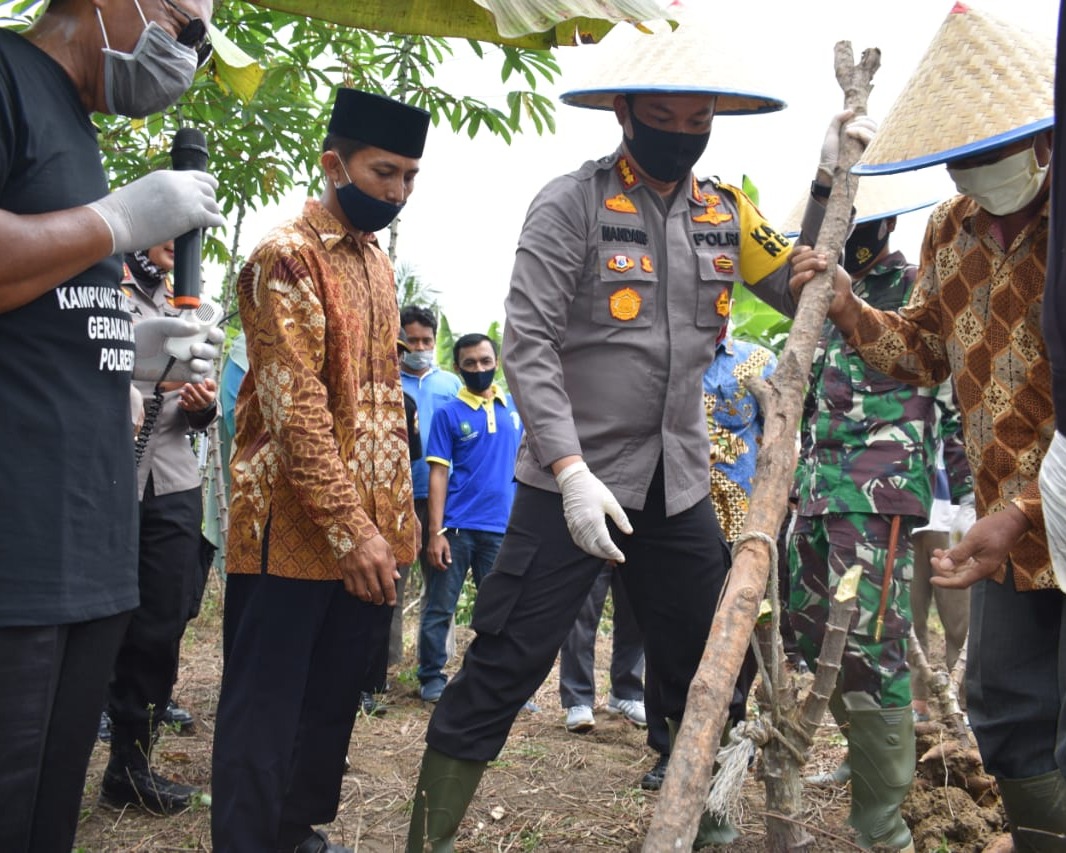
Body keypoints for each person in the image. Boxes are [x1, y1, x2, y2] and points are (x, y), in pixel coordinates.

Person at [405, 24, 867, 851]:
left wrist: (831, 176)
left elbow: (801, 273)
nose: (682, 135)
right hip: (571, 485)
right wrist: (570, 467)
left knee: (714, 667)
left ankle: (708, 825)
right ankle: (428, 838)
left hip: (678, 483)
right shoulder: (570, 203)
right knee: (504, 662)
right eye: (665, 117)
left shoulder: (724, 211)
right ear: (622, 111)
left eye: (700, 123)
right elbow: (530, 344)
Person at [791, 5, 1065, 848]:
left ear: (1041, 135)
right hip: (1005, 534)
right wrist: (845, 305)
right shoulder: (951, 228)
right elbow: (923, 351)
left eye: (993, 154)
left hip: (1046, 502)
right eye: (963, 160)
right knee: (1006, 709)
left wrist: (1026, 504)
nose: (978, 174)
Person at [0, 0, 222, 848]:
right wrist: (116, 223)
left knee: (48, 812)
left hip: (89, 536)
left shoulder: (76, 126)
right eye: (184, 24)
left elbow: (45, 312)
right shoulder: (9, 81)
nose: (189, 54)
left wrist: (136, 347)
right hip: (18, 547)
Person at [210, 87, 428, 853]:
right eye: (383, 172)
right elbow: (297, 409)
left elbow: (382, 406)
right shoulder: (284, 258)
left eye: (409, 177)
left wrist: (395, 526)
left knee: (330, 698)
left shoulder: (377, 263)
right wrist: (348, 528)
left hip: (364, 535)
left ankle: (291, 830)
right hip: (292, 531)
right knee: (264, 708)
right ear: (333, 163)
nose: (397, 192)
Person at [788, 187, 971, 850]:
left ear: (887, 221)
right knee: (811, 635)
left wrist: (969, 498)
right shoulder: (814, 293)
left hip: (878, 496)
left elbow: (956, 394)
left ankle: (883, 820)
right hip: (815, 491)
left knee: (872, 645)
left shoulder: (916, 289)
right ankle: (863, 759)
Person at [95, 240, 219, 813]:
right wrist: (153, 379)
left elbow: (198, 413)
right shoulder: (99, 284)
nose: (177, 243)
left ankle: (130, 767)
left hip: (171, 481)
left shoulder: (188, 306)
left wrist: (199, 402)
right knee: (95, 620)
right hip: (104, 476)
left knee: (163, 620)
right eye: (168, 228)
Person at [642, 327, 778, 788]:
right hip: (675, 518)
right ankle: (667, 748)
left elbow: (782, 437)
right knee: (669, 631)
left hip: (743, 521)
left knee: (741, 631)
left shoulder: (759, 361)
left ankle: (729, 742)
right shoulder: (659, 357)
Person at [419, 333, 523, 703]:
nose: (479, 369)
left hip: (501, 531)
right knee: (440, 607)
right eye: (470, 364)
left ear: (496, 361)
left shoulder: (515, 409)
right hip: (457, 530)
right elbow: (438, 474)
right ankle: (431, 676)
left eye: (484, 361)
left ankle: (501, 683)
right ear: (457, 367)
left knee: (503, 611)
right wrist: (436, 532)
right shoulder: (449, 415)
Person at [360, 328, 422, 716]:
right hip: (350, 512)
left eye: (397, 353)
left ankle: (367, 685)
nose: (395, 359)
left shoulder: (406, 403)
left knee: (383, 598)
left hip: (388, 510)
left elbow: (407, 463)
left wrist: (408, 515)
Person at [400, 304, 462, 666]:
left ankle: (434, 660)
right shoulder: (389, 381)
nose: (420, 348)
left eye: (426, 340)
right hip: (400, 497)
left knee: (440, 582)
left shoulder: (450, 384)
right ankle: (385, 664)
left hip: (442, 498)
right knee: (392, 582)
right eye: (413, 341)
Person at [910, 428, 972, 722]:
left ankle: (964, 704)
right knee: (909, 622)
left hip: (951, 517)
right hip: (904, 518)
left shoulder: (951, 392)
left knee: (960, 621)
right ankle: (915, 702)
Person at [558, 565, 648, 733]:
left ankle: (626, 693)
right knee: (581, 614)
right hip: (590, 543)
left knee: (635, 613)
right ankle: (578, 698)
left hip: (638, 542)